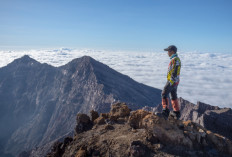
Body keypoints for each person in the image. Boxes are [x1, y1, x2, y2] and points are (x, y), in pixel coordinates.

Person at [161, 45, 181, 119]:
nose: (167, 53)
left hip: (172, 81)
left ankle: (165, 112)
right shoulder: (175, 59)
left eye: (168, 51)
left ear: (172, 51)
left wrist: (171, 81)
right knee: (173, 95)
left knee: (164, 93)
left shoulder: (175, 59)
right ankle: (176, 112)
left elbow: (175, 71)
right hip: (175, 81)